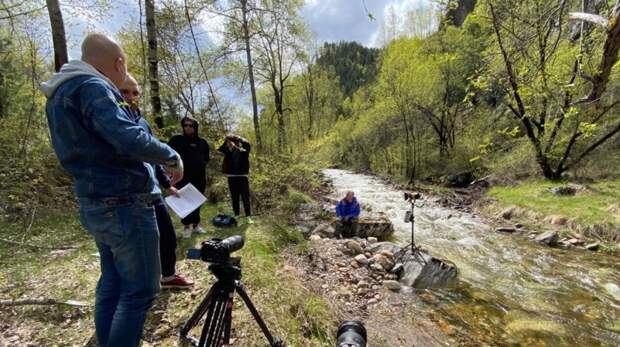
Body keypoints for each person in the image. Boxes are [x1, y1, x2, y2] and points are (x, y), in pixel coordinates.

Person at [40, 33, 183, 347]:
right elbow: (127, 137)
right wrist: (171, 155)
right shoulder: (93, 87)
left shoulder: (59, 93)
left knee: (113, 284)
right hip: (125, 202)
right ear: (119, 63)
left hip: (94, 201)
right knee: (140, 291)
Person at [119, 74, 194, 289]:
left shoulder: (142, 122)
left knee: (168, 234)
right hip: (128, 194)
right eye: (124, 91)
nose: (130, 97)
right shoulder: (114, 121)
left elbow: (153, 158)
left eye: (135, 93)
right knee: (138, 244)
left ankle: (168, 275)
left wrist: (166, 184)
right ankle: (140, 284)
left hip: (152, 191)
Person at [168, 116, 210, 238]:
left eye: (190, 125)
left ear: (195, 127)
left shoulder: (202, 142)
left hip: (199, 177)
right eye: (185, 125)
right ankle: (186, 227)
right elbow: (168, 155)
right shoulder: (176, 140)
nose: (187, 128)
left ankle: (196, 225)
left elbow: (206, 158)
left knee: (197, 201)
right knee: (185, 201)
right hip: (182, 176)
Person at [218, 134, 253, 223]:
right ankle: (236, 215)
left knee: (245, 197)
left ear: (235, 142)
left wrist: (238, 138)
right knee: (234, 197)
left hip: (242, 176)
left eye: (230, 141)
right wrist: (226, 139)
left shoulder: (243, 150)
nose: (229, 143)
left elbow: (248, 145)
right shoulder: (227, 151)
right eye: (228, 142)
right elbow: (220, 149)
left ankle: (248, 216)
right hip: (231, 177)